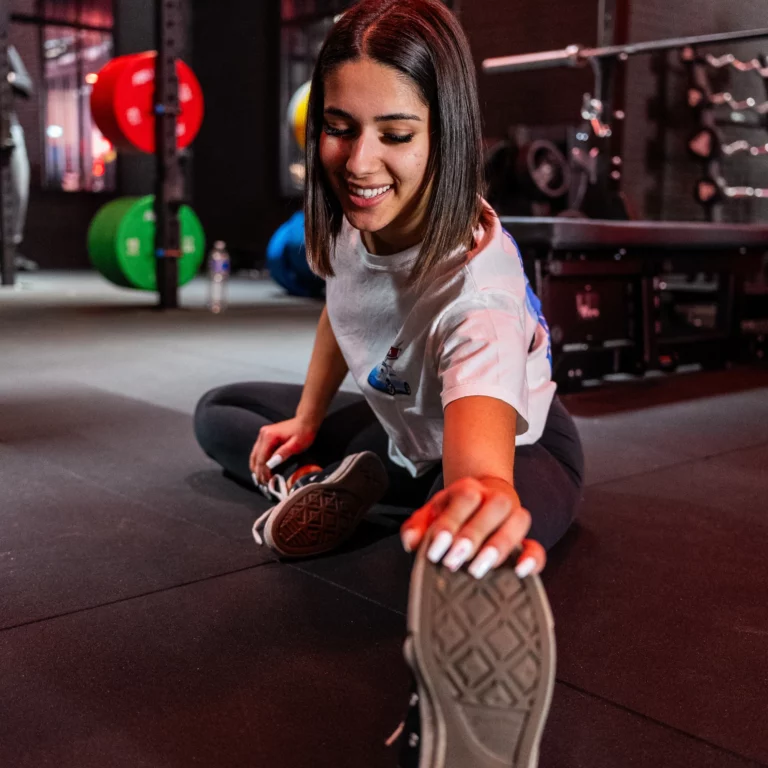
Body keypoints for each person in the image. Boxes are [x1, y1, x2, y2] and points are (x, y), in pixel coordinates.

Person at [194, 1, 584, 765]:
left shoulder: (482, 299)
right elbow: (344, 308)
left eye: (396, 135)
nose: (359, 161)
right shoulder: (351, 214)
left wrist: (482, 487)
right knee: (224, 414)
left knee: (475, 537)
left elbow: (479, 462)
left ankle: (443, 718)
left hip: (520, 445)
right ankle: (332, 478)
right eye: (340, 127)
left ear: (447, 134)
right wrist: (306, 420)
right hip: (403, 427)